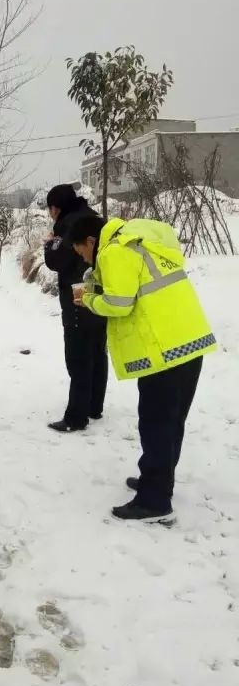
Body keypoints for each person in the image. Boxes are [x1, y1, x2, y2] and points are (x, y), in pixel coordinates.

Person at [69, 213, 218, 522]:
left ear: (92, 241)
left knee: (156, 423)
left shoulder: (115, 251)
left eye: (81, 250)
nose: (83, 257)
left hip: (163, 348)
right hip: (189, 340)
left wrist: (90, 301)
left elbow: (120, 304)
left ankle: (154, 501)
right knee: (171, 420)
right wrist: (97, 281)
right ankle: (158, 480)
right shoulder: (142, 242)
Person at [43, 184, 108, 433]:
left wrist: (50, 243)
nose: (50, 214)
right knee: (97, 351)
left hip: (79, 295)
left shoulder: (71, 225)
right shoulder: (94, 218)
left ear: (56, 207)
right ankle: (94, 406)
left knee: (78, 355)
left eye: (50, 208)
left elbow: (56, 260)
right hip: (100, 293)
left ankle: (76, 417)